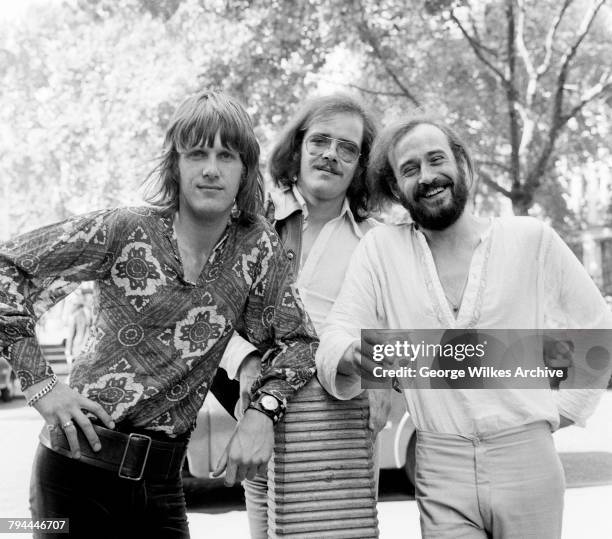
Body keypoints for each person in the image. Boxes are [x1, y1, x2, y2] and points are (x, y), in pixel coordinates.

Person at [0, 91, 317, 539]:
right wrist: (41, 385)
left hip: (163, 487)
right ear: (176, 164)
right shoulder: (125, 228)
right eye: (197, 154)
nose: (211, 168)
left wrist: (262, 413)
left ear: (245, 169)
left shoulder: (257, 246)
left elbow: (299, 341)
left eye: (226, 155)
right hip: (73, 471)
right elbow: (6, 268)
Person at [316, 116, 612, 538]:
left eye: (436, 160)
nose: (428, 176)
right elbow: (338, 332)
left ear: (461, 164)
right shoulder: (381, 250)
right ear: (396, 187)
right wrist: (350, 357)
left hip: (529, 461)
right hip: (439, 464)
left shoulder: (530, 238)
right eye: (410, 168)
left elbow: (598, 331)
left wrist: (551, 417)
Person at [219, 93, 390, 538]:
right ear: (297, 147)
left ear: (361, 165)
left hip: (343, 428)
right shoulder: (248, 221)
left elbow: (397, 321)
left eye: (347, 148)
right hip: (261, 417)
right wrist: (245, 362)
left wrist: (391, 384)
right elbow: (208, 308)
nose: (331, 154)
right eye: (320, 140)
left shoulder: (379, 241)